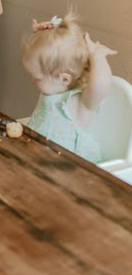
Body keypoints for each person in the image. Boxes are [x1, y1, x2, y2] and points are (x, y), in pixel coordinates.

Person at [22, 12, 116, 163]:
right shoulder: (51, 91)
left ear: (64, 79)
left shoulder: (79, 102)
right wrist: (48, 33)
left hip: (71, 168)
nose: (32, 80)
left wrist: (97, 57)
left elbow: (101, 85)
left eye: (37, 78)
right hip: (40, 160)